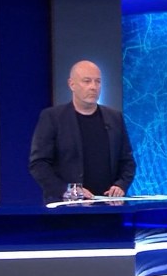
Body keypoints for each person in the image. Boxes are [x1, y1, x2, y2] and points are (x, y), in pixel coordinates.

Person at [29, 60, 136, 203]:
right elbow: (38, 164)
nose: (93, 87)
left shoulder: (115, 118)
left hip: (108, 206)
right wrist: (67, 190)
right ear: (71, 84)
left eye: (98, 82)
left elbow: (127, 162)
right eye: (87, 81)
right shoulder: (52, 118)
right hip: (66, 208)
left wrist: (120, 185)